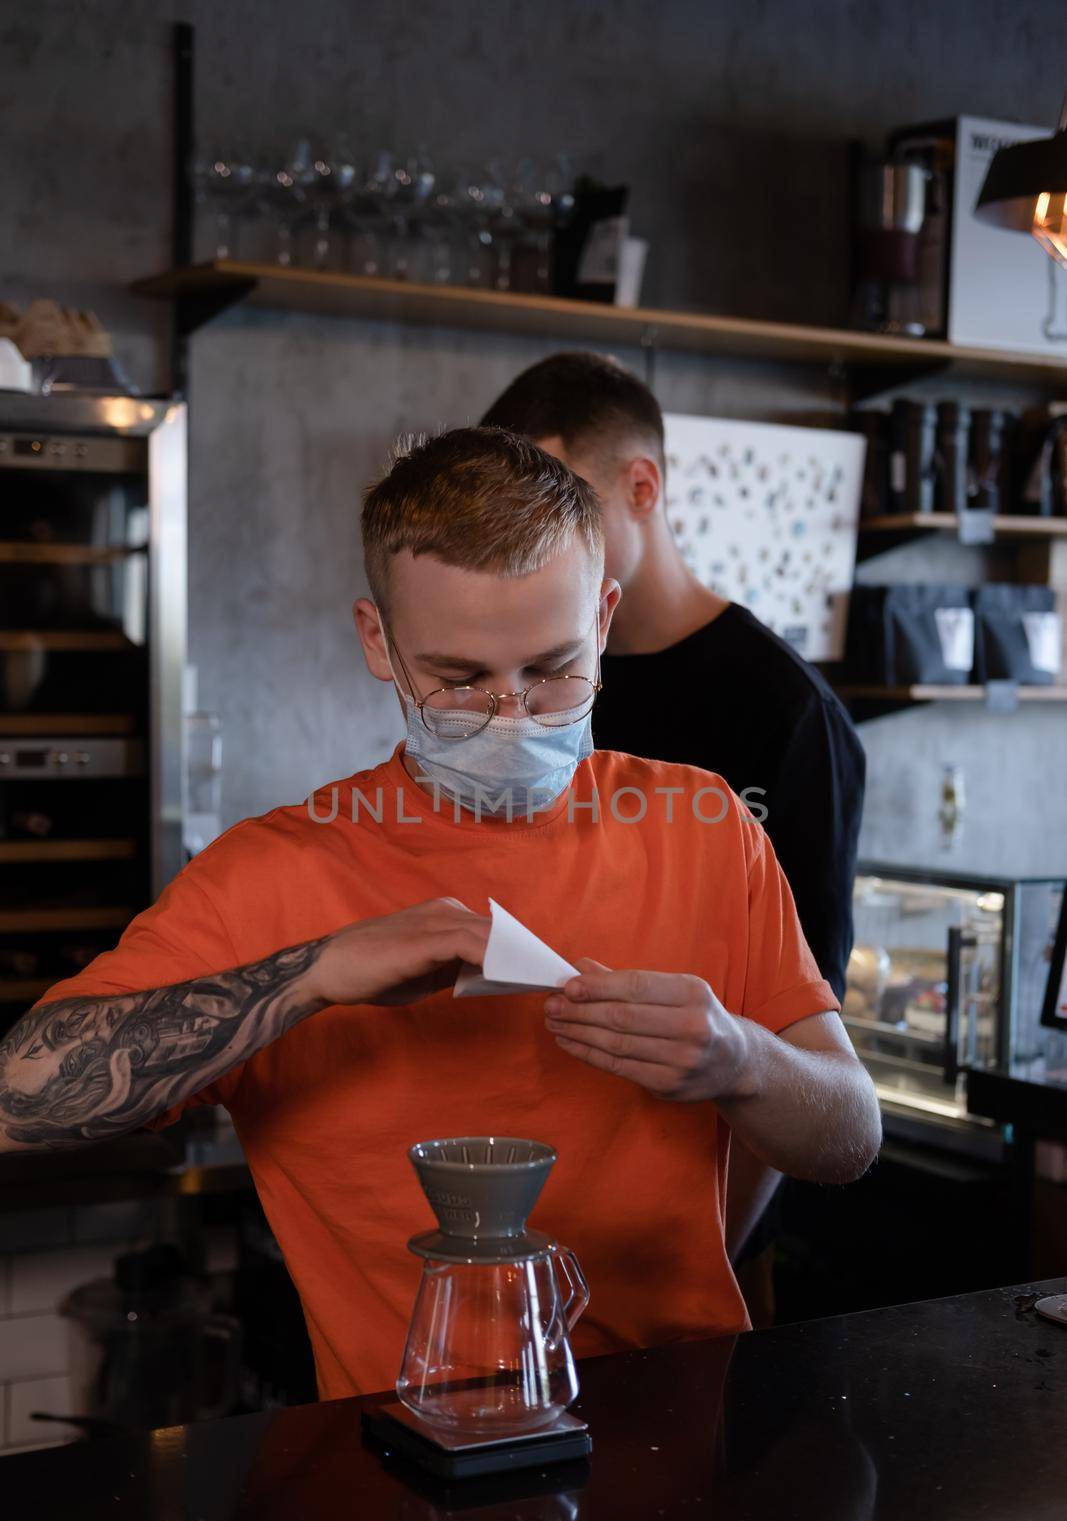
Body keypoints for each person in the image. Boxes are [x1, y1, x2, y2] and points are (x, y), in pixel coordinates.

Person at [0, 428, 880, 1400]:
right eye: (459, 678)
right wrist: (309, 975)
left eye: (550, 669)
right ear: (378, 641)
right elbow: (15, 1101)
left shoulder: (707, 826)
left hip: (679, 1423)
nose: (510, 715)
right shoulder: (270, 874)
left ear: (602, 615)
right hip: (400, 1446)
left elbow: (848, 1137)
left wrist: (739, 1060)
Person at [481, 356, 867, 1312]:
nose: (526, 545)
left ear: (640, 487)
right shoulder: (532, 690)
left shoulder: (783, 713)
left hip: (705, 1231)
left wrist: (708, 1253)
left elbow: (802, 1033)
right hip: (541, 1206)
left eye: (552, 503)